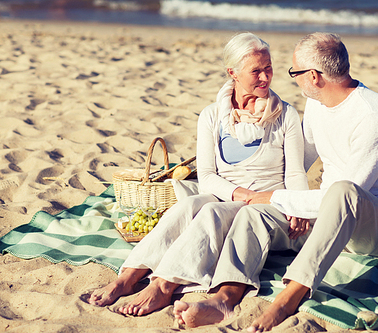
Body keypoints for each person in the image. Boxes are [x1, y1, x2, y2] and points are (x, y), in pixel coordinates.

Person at [173, 32, 378, 332]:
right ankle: (225, 297)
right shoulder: (316, 103)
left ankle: (286, 300)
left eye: (294, 72)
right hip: (329, 216)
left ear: (313, 76)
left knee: (339, 191)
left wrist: (275, 198)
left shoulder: (373, 115)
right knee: (253, 215)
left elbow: (350, 195)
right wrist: (281, 201)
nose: (289, 79)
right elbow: (300, 161)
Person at [88, 32, 308, 316]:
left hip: (269, 209)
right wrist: (245, 196)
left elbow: (295, 174)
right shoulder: (211, 116)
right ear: (233, 73)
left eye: (269, 68)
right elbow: (206, 175)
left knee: (212, 212)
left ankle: (163, 286)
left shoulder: (286, 115)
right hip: (233, 198)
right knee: (190, 204)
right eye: (256, 71)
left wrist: (299, 205)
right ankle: (127, 278)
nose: (266, 77)